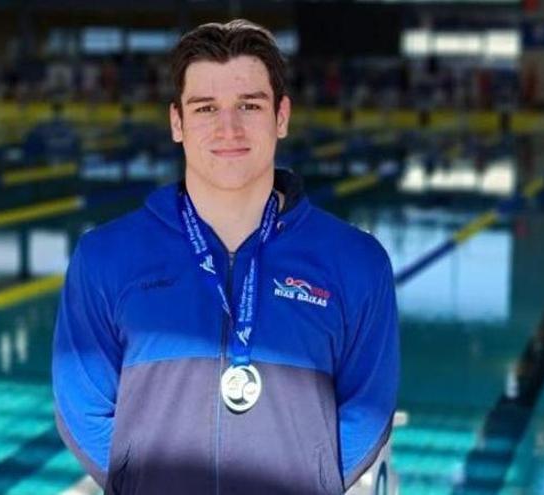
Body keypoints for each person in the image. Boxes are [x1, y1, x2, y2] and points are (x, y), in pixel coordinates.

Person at [52, 19, 399, 494]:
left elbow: (367, 407)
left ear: (281, 116)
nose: (228, 128)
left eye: (249, 105)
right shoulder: (106, 258)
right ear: (177, 122)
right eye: (206, 107)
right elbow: (83, 404)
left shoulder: (357, 263)